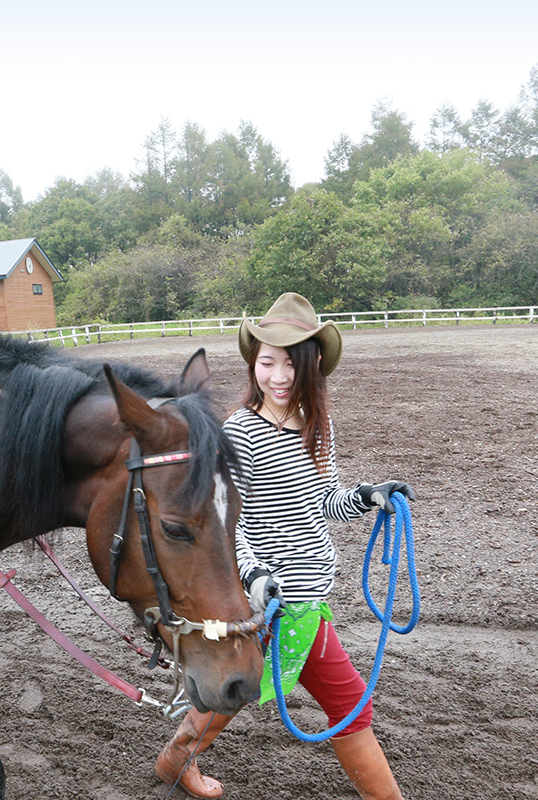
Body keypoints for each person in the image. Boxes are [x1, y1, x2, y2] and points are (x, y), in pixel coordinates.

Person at [154, 292, 414, 800]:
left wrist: (367, 497)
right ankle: (175, 761)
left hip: (308, 593)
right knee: (334, 700)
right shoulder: (241, 428)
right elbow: (232, 523)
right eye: (267, 362)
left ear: (312, 365)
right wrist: (253, 577)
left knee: (234, 693)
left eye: (291, 363)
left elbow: (324, 500)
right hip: (263, 598)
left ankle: (174, 761)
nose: (278, 376)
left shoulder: (319, 425)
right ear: (254, 363)